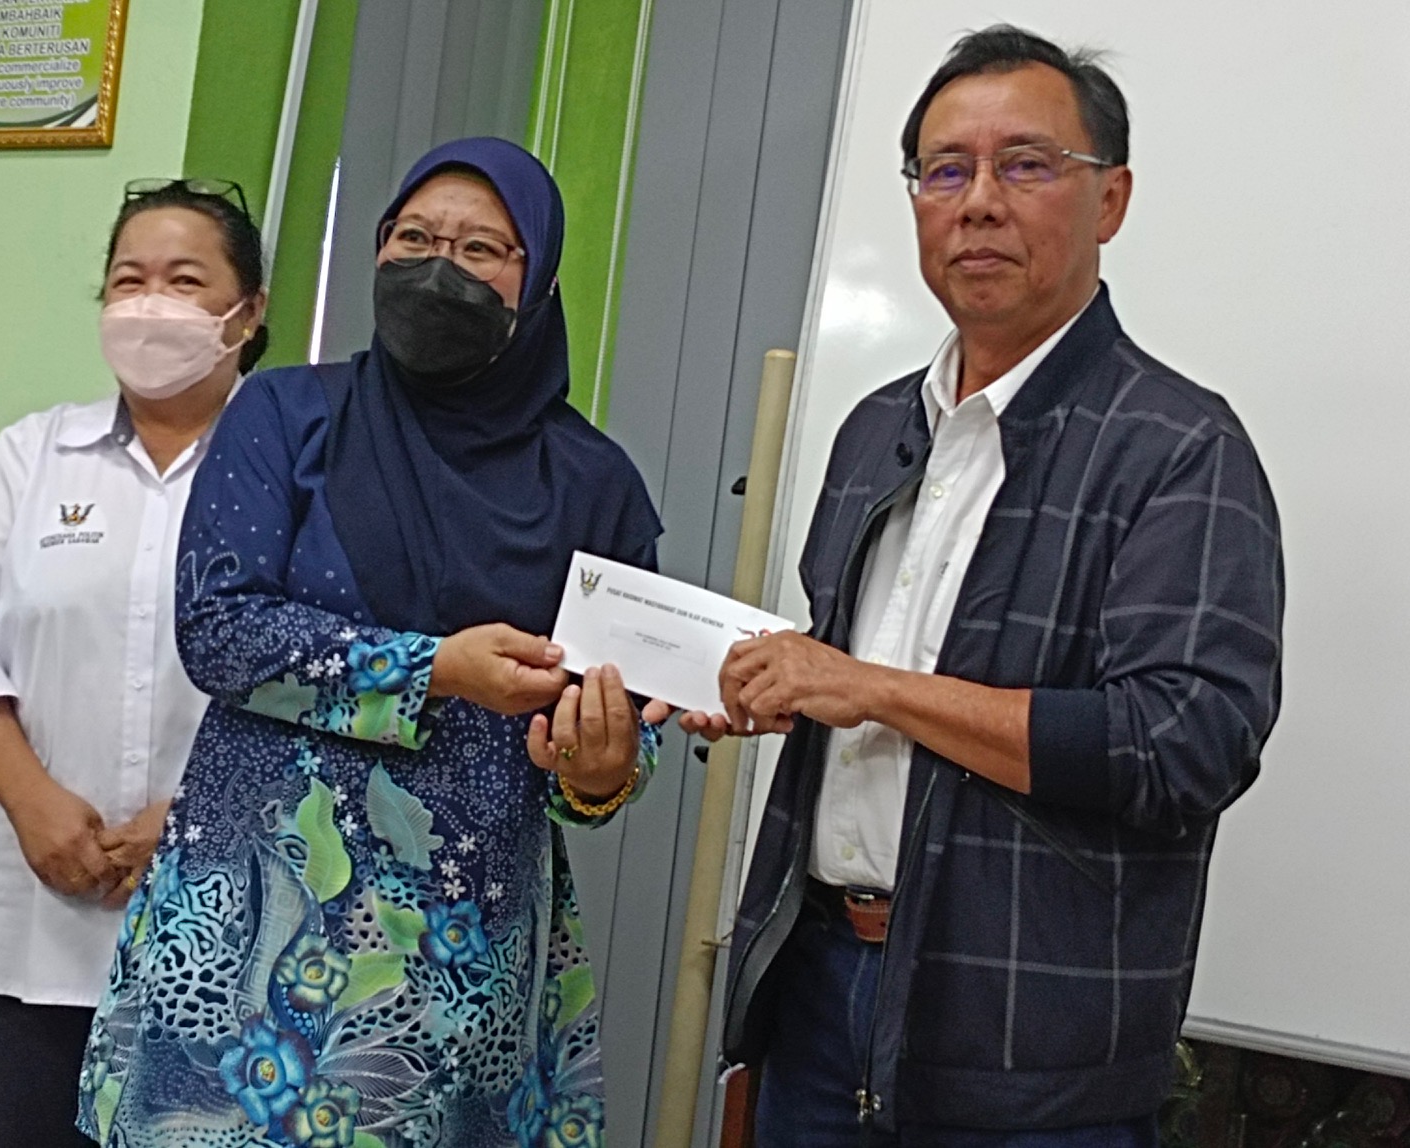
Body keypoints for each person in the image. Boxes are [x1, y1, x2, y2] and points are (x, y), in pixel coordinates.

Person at [691, 27, 1285, 1146]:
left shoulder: (1180, 447)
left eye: (1024, 165)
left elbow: (1186, 743)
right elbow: (855, 678)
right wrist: (776, 686)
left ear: (1110, 199)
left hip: (1029, 1050)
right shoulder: (876, 428)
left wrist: (870, 686)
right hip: (816, 994)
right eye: (945, 170)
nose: (976, 204)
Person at [75, 137, 668, 1148]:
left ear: (538, 281)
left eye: (481, 249)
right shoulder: (286, 414)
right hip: (242, 951)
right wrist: (436, 668)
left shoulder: (592, 482)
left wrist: (602, 769)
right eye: (414, 239)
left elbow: (620, 725)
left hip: (451, 965)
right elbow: (218, 628)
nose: (439, 269)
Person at [0, 178, 270, 1148]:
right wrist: (30, 799)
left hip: (233, 916)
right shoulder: (35, 454)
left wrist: (200, 817)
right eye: (128, 279)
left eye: (184, 280)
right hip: (39, 916)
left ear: (248, 313)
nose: (150, 303)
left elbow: (328, 672)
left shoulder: (296, 465)